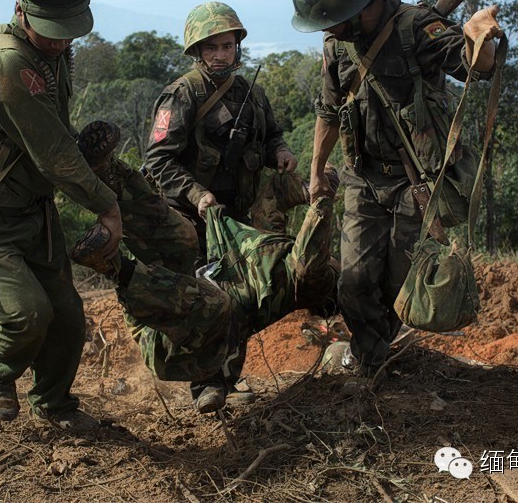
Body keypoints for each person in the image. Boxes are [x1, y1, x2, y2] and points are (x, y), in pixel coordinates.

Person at [0, 0, 195, 432]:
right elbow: (54, 155)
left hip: (34, 212)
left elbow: (57, 132)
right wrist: (107, 204)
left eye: (67, 34)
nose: (60, 44)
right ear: (22, 12)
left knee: (67, 316)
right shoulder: (7, 63)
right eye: (52, 34)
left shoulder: (52, 52)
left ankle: (55, 406)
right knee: (28, 313)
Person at [290, 0, 503, 376]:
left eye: (331, 20)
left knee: (400, 284)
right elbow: (329, 110)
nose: (327, 30)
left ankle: (376, 353)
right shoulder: (337, 43)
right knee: (353, 283)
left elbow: (477, 67)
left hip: (413, 183)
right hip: (362, 179)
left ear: (355, 6)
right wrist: (317, 171)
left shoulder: (419, 28)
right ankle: (371, 361)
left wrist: (478, 39)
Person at [144, 1, 307, 408]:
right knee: (206, 301)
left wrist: (281, 153)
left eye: (227, 46)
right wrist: (197, 194)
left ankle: (227, 380)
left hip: (236, 220)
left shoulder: (252, 95)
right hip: (190, 218)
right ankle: (207, 386)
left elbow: (271, 137)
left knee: (241, 299)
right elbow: (157, 160)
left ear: (238, 47)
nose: (220, 54)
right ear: (197, 51)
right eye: (212, 47)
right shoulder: (182, 94)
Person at [70, 176, 340, 414]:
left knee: (218, 304)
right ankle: (113, 173)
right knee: (183, 239)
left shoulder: (297, 282)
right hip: (168, 294)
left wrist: (323, 203)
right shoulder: (274, 248)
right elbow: (274, 195)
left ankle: (113, 265)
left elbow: (310, 262)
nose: (339, 261)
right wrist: (315, 183)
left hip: (171, 335)